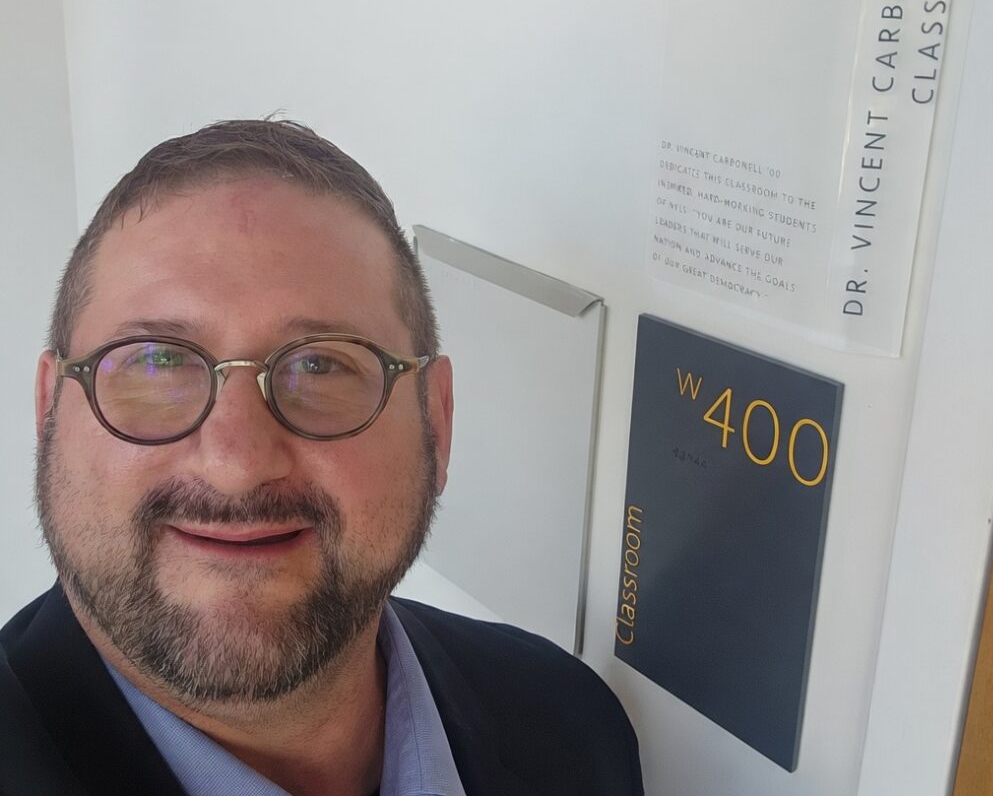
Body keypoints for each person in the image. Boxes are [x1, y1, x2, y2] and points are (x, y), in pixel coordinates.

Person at [0, 119, 644, 796]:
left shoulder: (576, 726)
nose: (236, 464)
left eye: (320, 365)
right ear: (49, 411)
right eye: (157, 361)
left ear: (436, 420)